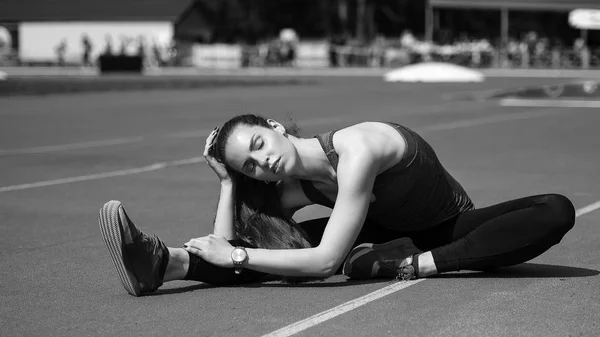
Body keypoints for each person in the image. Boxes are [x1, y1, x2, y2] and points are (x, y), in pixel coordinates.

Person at [99, 115, 576, 296]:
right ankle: (162, 264)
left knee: (556, 209)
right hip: (373, 230)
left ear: (275, 126)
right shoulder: (289, 187)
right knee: (278, 248)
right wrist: (227, 185)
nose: (262, 161)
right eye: (249, 166)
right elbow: (230, 244)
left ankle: (413, 265)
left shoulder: (359, 150)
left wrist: (239, 256)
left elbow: (325, 262)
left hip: (447, 228)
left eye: (260, 144)